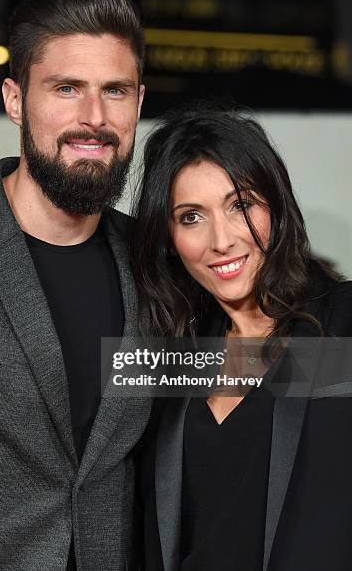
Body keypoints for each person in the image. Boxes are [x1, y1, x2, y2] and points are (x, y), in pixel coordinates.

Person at [0, 0, 151, 571]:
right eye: (67, 88)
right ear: (16, 99)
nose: (94, 117)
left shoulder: (155, 262)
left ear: (139, 103)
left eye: (115, 90)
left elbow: (248, 374)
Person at [131, 101, 352, 571]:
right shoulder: (171, 355)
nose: (222, 240)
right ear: (168, 236)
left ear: (275, 203)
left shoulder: (341, 322)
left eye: (241, 205)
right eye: (192, 217)